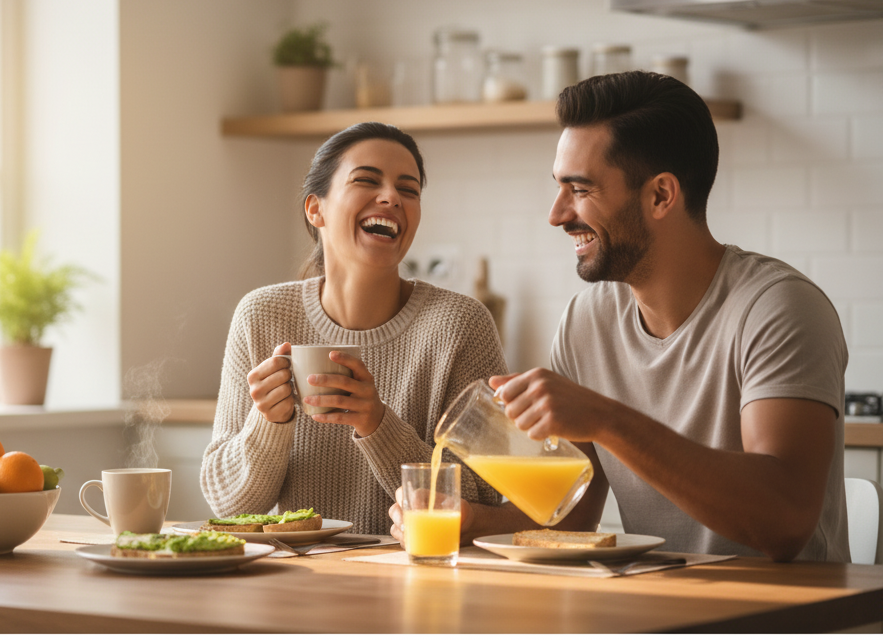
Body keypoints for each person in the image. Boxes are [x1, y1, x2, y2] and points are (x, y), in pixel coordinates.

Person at [391, 71, 850, 562]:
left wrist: (607, 420)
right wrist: (472, 520)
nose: (557, 213)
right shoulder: (587, 322)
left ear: (660, 196)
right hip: (657, 606)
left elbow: (785, 521)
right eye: (559, 187)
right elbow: (570, 516)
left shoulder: (777, 310)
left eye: (580, 189)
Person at [201, 121, 507, 535]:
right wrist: (268, 425)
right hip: (292, 580)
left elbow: (486, 496)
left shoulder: (461, 325)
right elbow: (229, 506)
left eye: (409, 189)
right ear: (316, 208)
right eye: (367, 180)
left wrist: (378, 424)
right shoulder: (262, 315)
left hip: (417, 578)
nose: (391, 197)